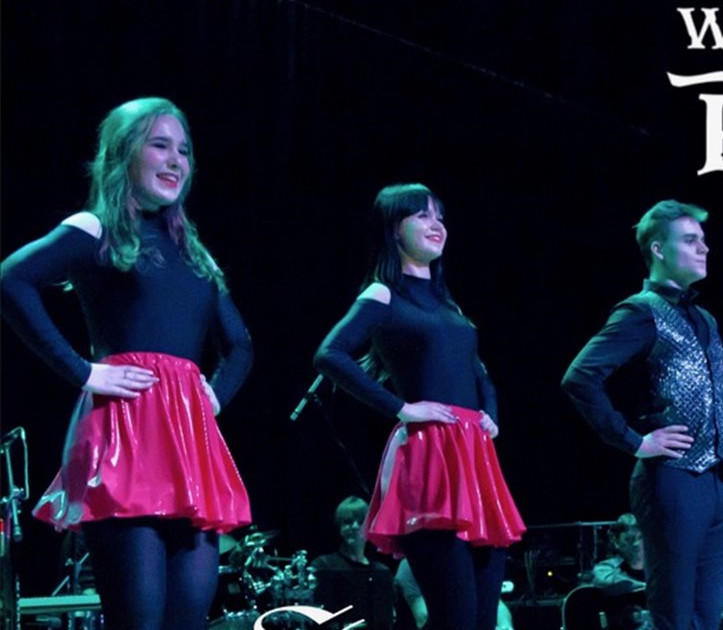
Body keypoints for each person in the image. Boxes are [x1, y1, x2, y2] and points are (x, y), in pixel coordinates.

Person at [0, 97, 253, 630]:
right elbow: (12, 280)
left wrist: (212, 395)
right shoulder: (97, 228)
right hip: (125, 435)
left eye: (184, 149)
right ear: (123, 154)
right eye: (159, 145)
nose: (175, 159)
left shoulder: (194, 253)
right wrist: (84, 371)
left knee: (187, 618)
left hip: (189, 443)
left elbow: (240, 344)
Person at [313, 183, 525, 630]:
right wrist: (402, 408)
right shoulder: (383, 294)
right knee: (456, 619)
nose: (437, 225)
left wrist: (490, 414)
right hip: (430, 457)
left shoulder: (449, 303)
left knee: (484, 619)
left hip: (475, 457)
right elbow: (330, 355)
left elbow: (480, 372)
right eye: (423, 215)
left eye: (440, 217)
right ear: (395, 228)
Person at [562, 200, 723, 630]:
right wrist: (635, 441)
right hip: (672, 480)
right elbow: (580, 377)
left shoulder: (705, 318)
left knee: (707, 617)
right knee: (674, 614)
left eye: (703, 240)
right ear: (658, 249)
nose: (704, 248)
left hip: (717, 480)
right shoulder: (641, 311)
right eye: (690, 240)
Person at [311, 496, 395, 629]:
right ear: (340, 527)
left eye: (361, 522)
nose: (355, 527)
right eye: (348, 522)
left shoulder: (381, 571)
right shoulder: (323, 565)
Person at [394, 558, 513, 630]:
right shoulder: (409, 566)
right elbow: (423, 616)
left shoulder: (464, 562)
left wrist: (505, 627)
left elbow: (494, 603)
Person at [590, 514, 646, 596]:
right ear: (616, 542)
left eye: (640, 537)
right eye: (629, 539)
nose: (636, 544)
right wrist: (647, 587)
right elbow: (606, 581)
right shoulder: (606, 568)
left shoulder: (656, 567)